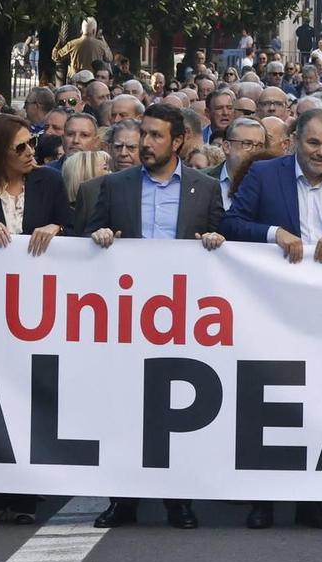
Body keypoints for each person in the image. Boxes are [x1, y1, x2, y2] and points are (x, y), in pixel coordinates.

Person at [87, 104, 225, 531]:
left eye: (155, 136)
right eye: (143, 134)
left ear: (178, 141)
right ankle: (122, 499)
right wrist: (100, 238)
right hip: (127, 315)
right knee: (124, 407)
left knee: (177, 409)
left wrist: (217, 240)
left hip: (182, 318)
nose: (145, 144)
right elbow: (83, 242)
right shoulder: (114, 186)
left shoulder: (203, 188)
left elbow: (226, 244)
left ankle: (178, 500)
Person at [0, 113, 68, 526]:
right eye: (19, 147)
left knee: (29, 398)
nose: (29, 153)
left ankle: (23, 498)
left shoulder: (50, 182)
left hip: (41, 307)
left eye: (32, 144)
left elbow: (70, 228)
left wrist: (57, 227)